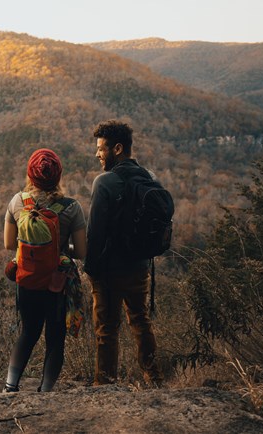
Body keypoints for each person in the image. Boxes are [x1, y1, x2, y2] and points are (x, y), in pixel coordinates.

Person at [84, 120, 163, 386]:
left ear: (117, 149)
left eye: (101, 149)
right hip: (140, 267)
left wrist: (91, 271)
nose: (97, 154)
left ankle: (104, 383)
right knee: (141, 321)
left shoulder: (104, 182)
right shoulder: (150, 176)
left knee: (107, 330)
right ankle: (153, 378)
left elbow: (94, 235)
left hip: (108, 272)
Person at [3, 148, 87, 392]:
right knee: (55, 338)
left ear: (30, 174)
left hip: (27, 280)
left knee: (28, 332)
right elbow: (81, 252)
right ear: (58, 175)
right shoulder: (72, 208)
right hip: (56, 284)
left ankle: (10, 386)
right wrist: (59, 248)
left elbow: (10, 244)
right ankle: (46, 391)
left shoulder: (18, 201)